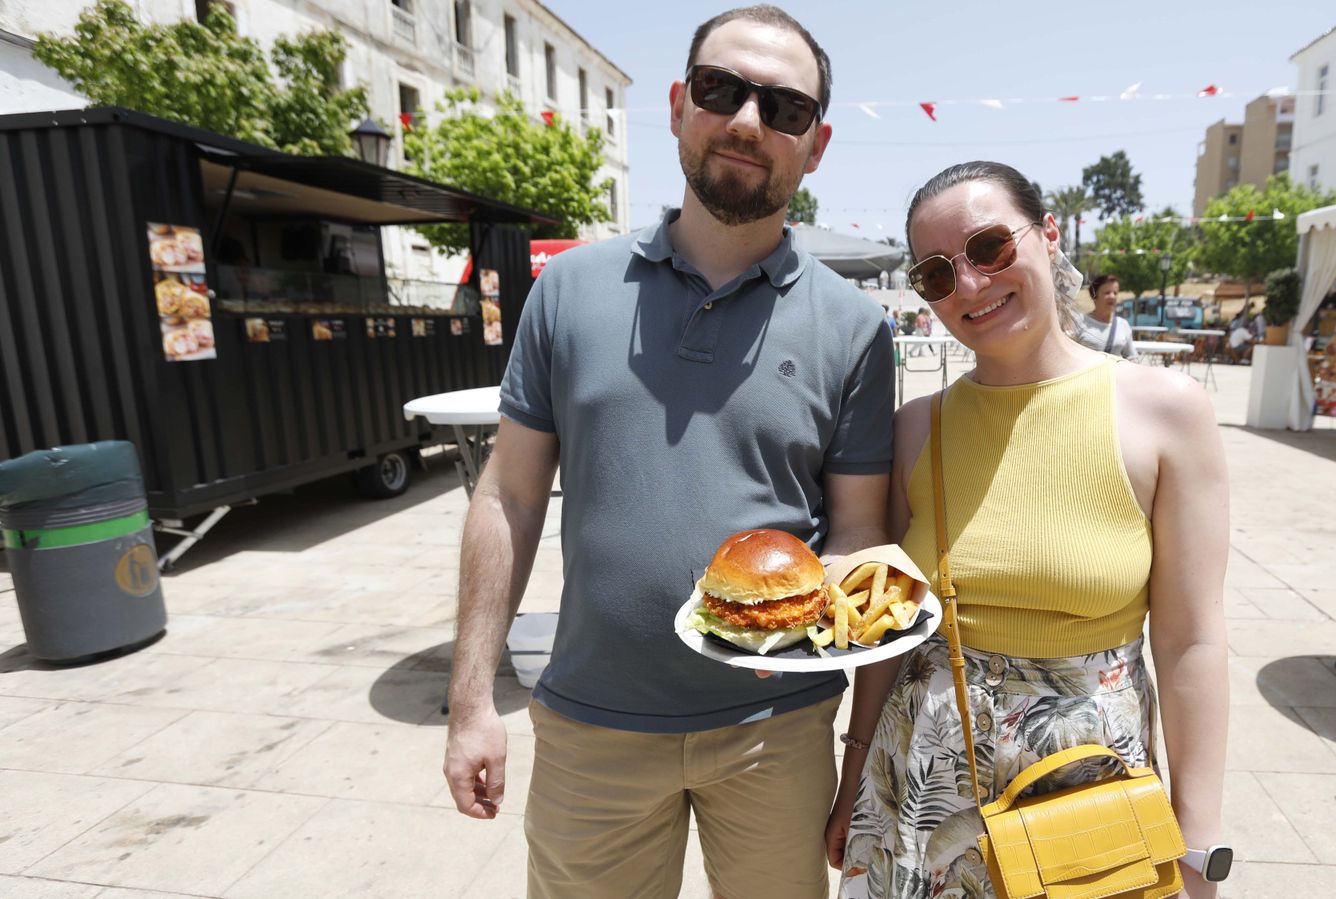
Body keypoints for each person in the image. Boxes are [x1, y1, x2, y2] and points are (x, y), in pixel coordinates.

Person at [443, 8, 895, 898]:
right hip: (591, 724)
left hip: (779, 730)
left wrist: (844, 718)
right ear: (681, 104)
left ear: (819, 141)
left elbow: (858, 532)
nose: (749, 122)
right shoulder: (570, 288)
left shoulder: (857, 327)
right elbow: (509, 496)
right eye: (723, 91)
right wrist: (470, 702)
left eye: (785, 108)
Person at [828, 161, 1229, 898]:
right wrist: (854, 772)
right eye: (938, 275)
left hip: (1079, 792)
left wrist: (1198, 844)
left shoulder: (1165, 410)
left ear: (1048, 235)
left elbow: (1191, 640)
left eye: (988, 248)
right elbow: (894, 630)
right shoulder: (917, 428)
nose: (971, 285)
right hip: (916, 793)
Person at [1074, 274, 1137, 360]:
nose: (1112, 296)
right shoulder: (1079, 321)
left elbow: (1132, 356)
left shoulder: (1123, 325)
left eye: (1115, 293)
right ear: (1094, 296)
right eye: (1107, 293)